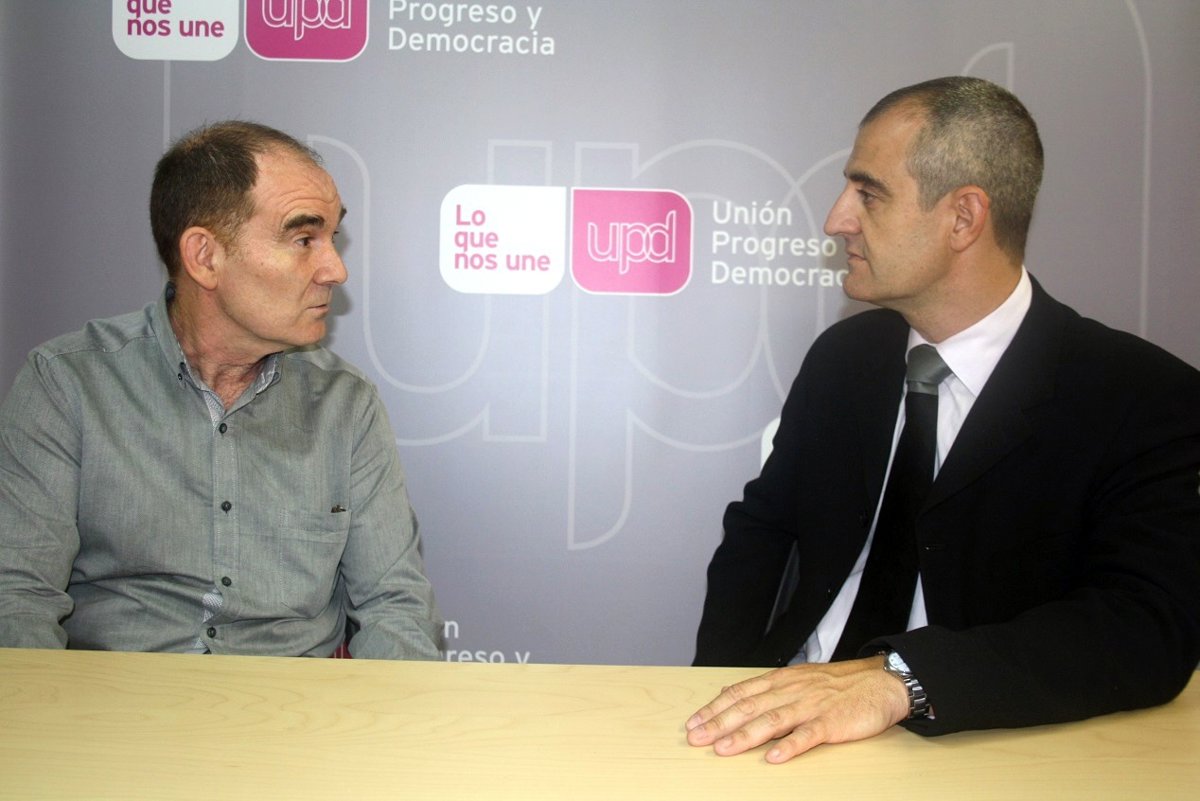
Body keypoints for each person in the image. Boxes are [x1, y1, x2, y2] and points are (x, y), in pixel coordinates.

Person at [687, 77, 1200, 762]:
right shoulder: (845, 359)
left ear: (963, 218)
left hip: (974, 745)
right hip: (777, 731)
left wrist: (903, 680)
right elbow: (761, 534)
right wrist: (719, 692)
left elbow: (1146, 627)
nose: (837, 219)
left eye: (869, 193)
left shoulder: (1141, 396)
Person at [0, 121, 443, 660]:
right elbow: (18, 600)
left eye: (332, 238)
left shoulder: (345, 405)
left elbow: (393, 608)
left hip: (292, 705)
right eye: (304, 239)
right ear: (205, 256)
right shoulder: (68, 383)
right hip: (116, 702)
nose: (335, 269)